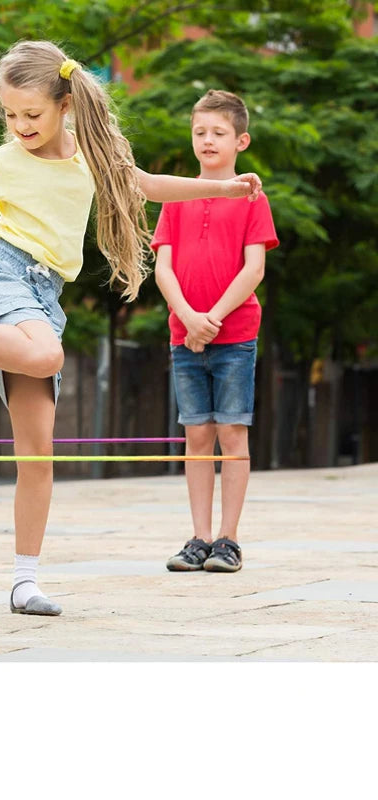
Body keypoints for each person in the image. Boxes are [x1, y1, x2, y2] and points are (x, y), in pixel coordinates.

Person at [0, 41, 262, 616]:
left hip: (43, 297)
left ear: (63, 104)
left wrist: (223, 189)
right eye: (10, 115)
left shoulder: (92, 155)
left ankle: (23, 580)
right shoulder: (3, 161)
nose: (20, 126)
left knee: (37, 454)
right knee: (47, 355)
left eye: (31, 114)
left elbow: (148, 185)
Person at [153, 89, 278, 573]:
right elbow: (163, 269)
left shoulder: (252, 198)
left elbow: (253, 270)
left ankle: (229, 539)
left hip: (235, 335)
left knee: (232, 433)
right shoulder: (174, 198)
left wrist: (212, 320)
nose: (207, 140)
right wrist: (188, 318)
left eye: (218, 133)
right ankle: (198, 538)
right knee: (196, 436)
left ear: (240, 140)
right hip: (183, 336)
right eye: (199, 132)